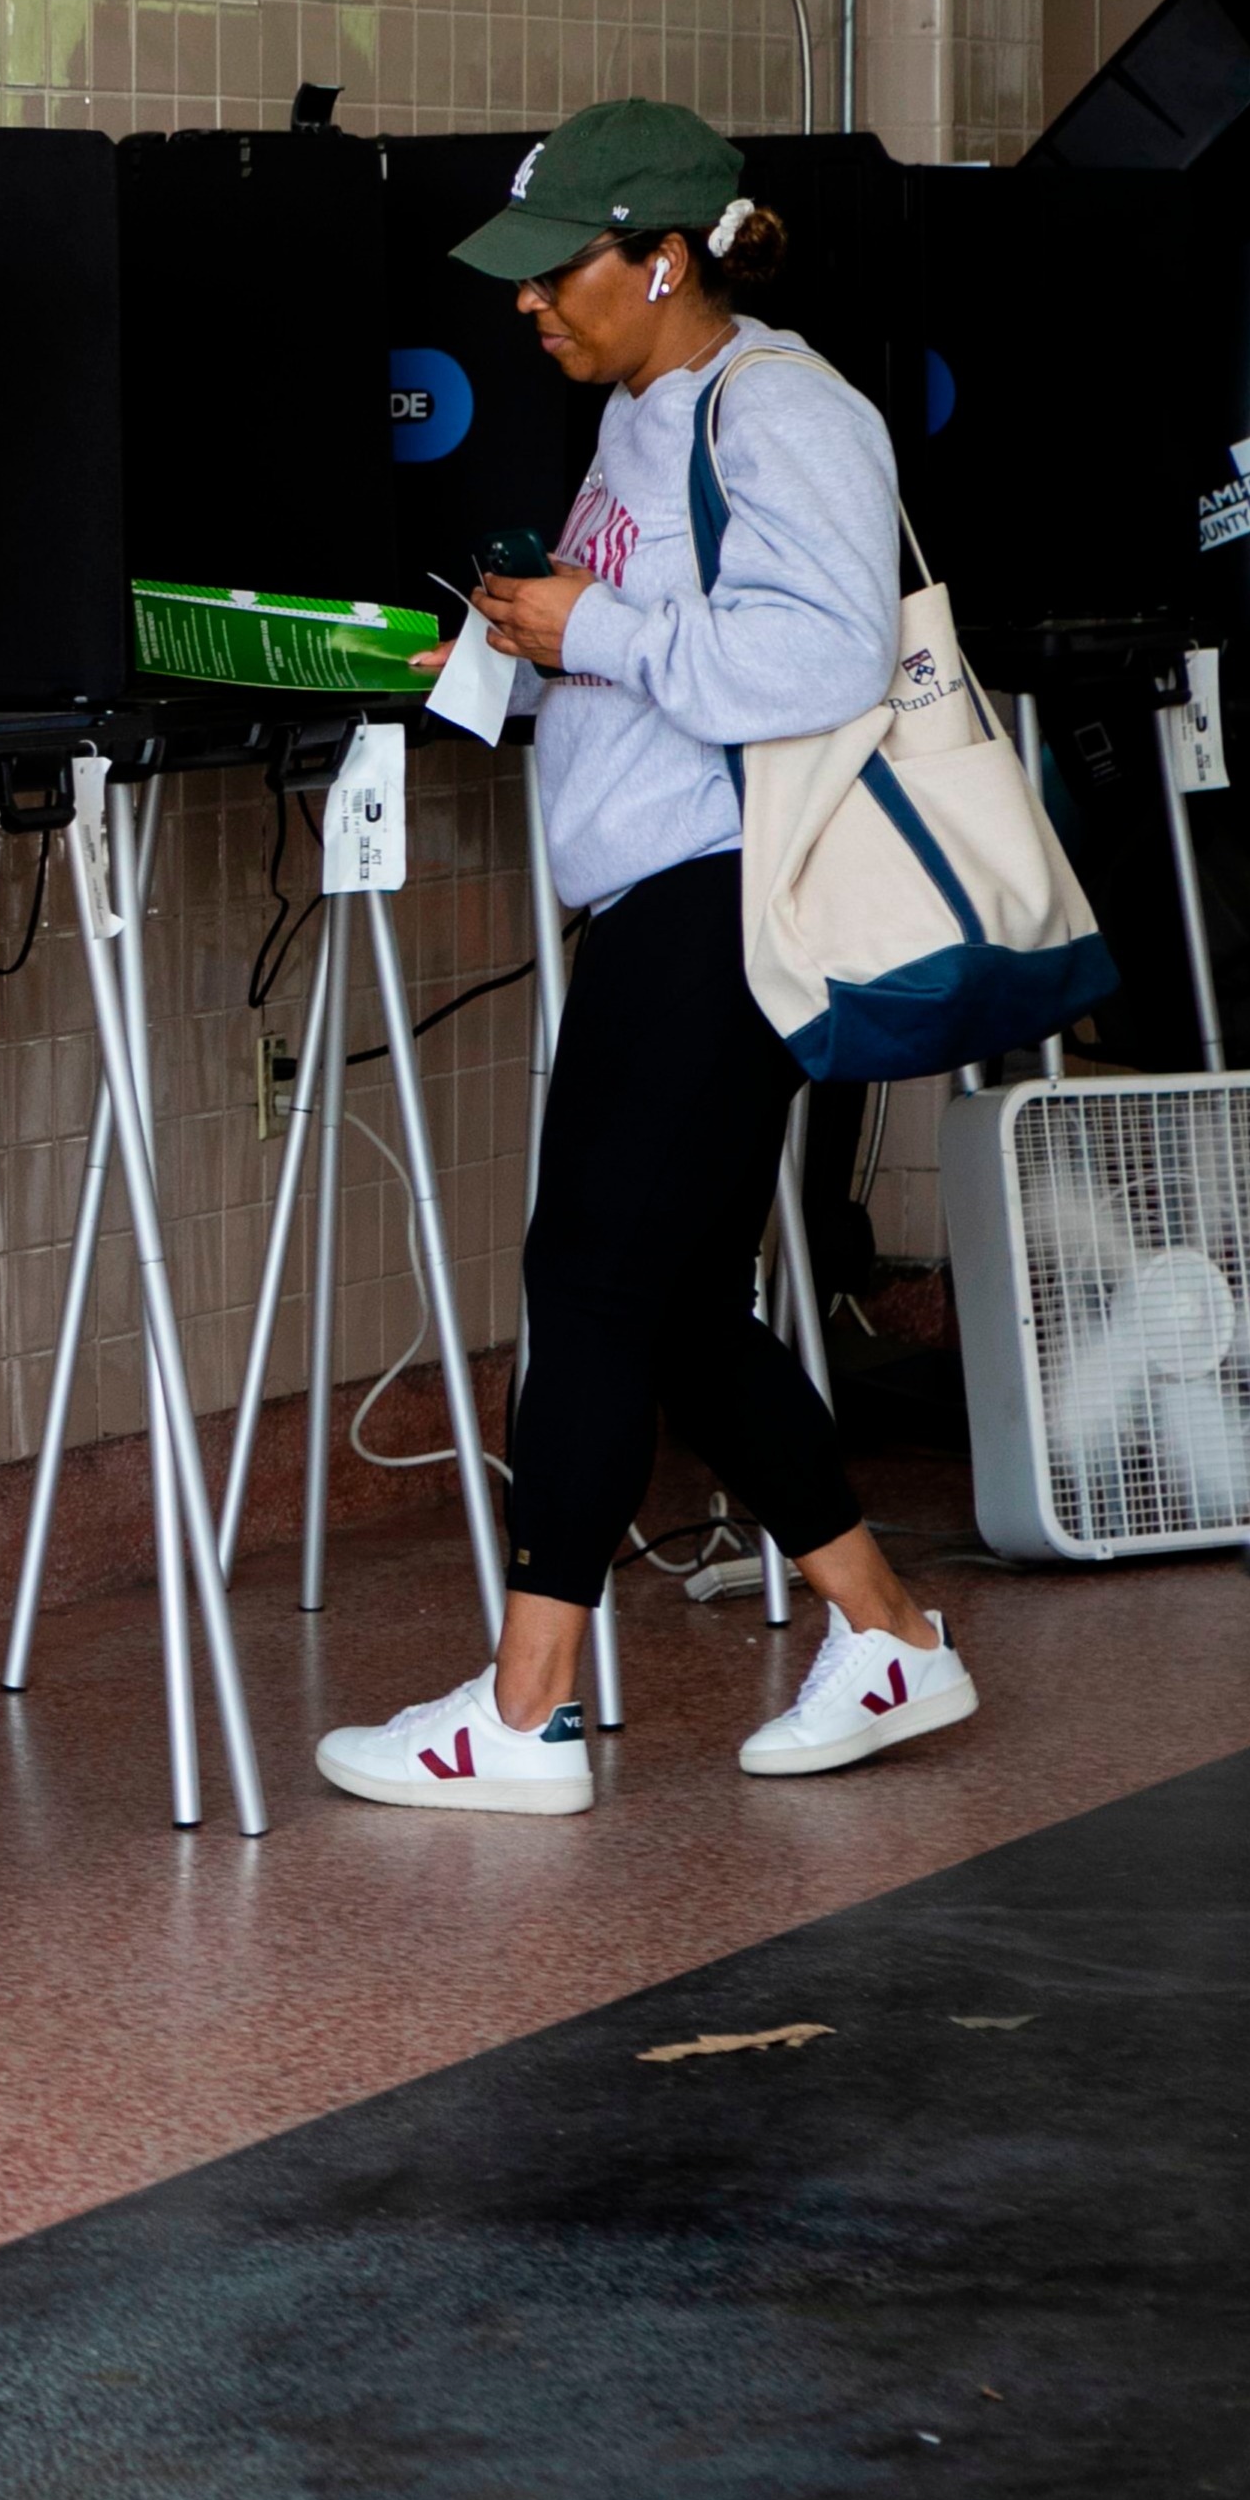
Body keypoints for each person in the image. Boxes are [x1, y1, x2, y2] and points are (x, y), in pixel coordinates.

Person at [317, 98, 974, 1816]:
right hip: (655, 895)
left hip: (722, 894)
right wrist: (509, 648)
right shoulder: (642, 413)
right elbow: (648, 644)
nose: (527, 306)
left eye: (559, 273)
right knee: (669, 1298)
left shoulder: (785, 409)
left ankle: (525, 1716)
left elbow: (822, 659)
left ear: (664, 256)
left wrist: (589, 625)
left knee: (592, 1280)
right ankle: (889, 1635)